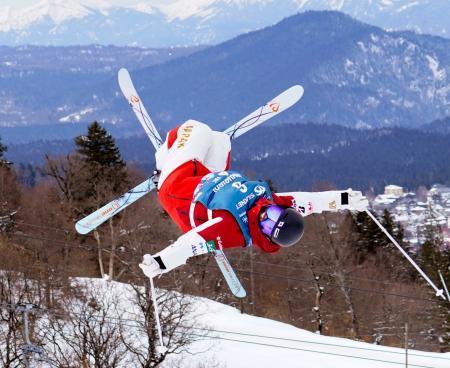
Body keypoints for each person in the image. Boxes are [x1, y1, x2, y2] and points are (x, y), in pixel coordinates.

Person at [139, 120, 368, 278]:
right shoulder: (271, 202)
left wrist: (160, 263)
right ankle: (178, 156)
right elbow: (310, 202)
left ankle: (163, 160)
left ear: (267, 235)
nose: (265, 217)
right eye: (274, 215)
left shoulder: (233, 229)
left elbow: (190, 245)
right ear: (281, 210)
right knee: (220, 140)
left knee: (196, 128)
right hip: (206, 177)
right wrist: (345, 199)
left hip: (176, 186)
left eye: (267, 226)